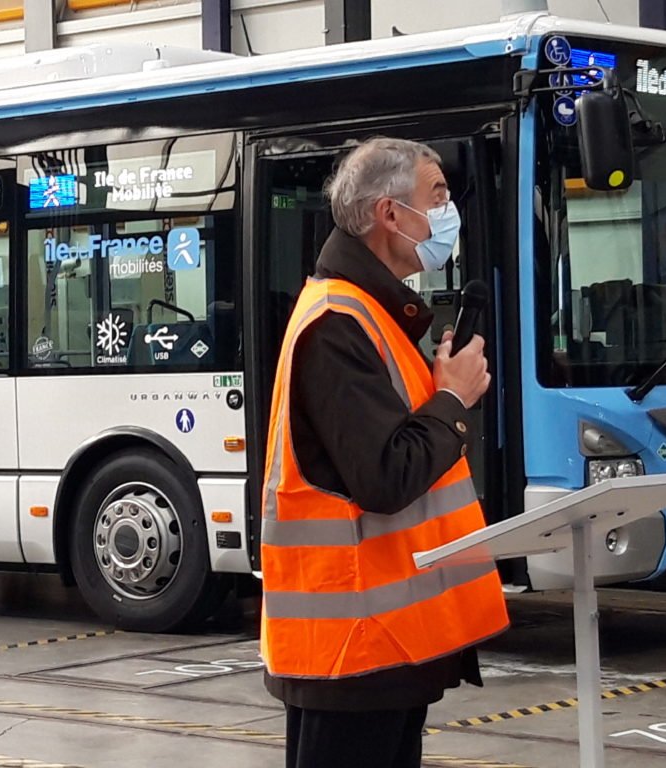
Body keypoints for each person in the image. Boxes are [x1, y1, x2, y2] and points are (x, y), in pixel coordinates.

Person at [259, 137, 511, 768]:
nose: (449, 212)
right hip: (353, 649)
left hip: (384, 643)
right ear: (389, 215)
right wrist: (451, 403)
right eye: (439, 197)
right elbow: (385, 475)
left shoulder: (371, 312)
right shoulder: (338, 321)